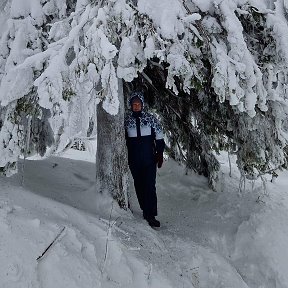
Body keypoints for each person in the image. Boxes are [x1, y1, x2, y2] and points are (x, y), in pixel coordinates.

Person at [125, 91, 165, 227]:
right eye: (134, 104)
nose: (136, 106)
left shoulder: (150, 119)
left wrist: (160, 153)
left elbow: (159, 135)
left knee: (149, 185)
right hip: (134, 159)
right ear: (130, 105)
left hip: (149, 159)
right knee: (139, 185)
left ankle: (151, 214)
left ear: (142, 104)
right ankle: (144, 209)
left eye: (138, 104)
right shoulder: (127, 120)